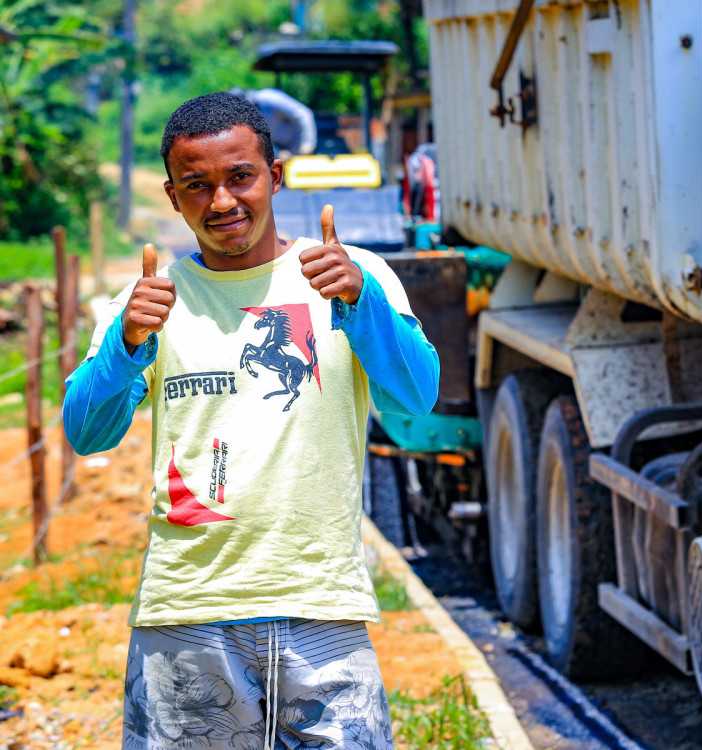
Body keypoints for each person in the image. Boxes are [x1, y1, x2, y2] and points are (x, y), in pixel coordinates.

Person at [63, 91, 439, 749]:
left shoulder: (351, 279)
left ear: (276, 176)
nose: (222, 202)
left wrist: (363, 302)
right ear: (173, 195)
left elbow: (417, 396)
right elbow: (86, 431)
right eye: (196, 185)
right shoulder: (151, 302)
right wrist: (124, 347)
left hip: (319, 605)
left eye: (240, 177)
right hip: (187, 615)